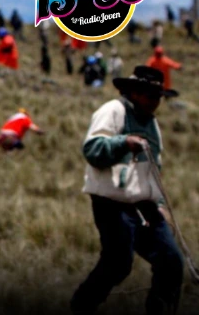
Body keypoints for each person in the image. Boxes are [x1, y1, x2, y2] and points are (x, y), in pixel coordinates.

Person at [70, 65, 182, 315]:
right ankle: (82, 306)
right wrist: (123, 142)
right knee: (118, 263)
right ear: (133, 92)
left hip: (145, 204)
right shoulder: (112, 111)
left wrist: (161, 204)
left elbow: (155, 168)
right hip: (111, 202)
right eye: (150, 96)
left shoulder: (152, 124)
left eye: (158, 97)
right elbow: (92, 150)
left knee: (171, 261)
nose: (155, 102)